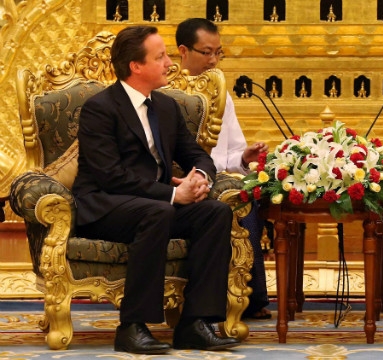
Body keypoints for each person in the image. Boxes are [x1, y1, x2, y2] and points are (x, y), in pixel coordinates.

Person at [72, 25, 240, 354]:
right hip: (106, 207)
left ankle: (195, 323)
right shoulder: (100, 109)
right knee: (159, 210)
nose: (169, 63)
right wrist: (174, 195)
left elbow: (196, 155)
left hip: (153, 206)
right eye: (160, 57)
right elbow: (110, 176)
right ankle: (133, 327)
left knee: (215, 212)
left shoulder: (164, 107)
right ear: (136, 66)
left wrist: (200, 177)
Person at [176, 18, 271, 320]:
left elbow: (230, 155)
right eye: (206, 52)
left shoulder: (221, 94)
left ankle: (251, 296)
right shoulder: (167, 93)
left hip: (220, 180)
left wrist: (244, 157)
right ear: (183, 51)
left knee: (246, 193)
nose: (214, 60)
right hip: (183, 183)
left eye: (219, 52)